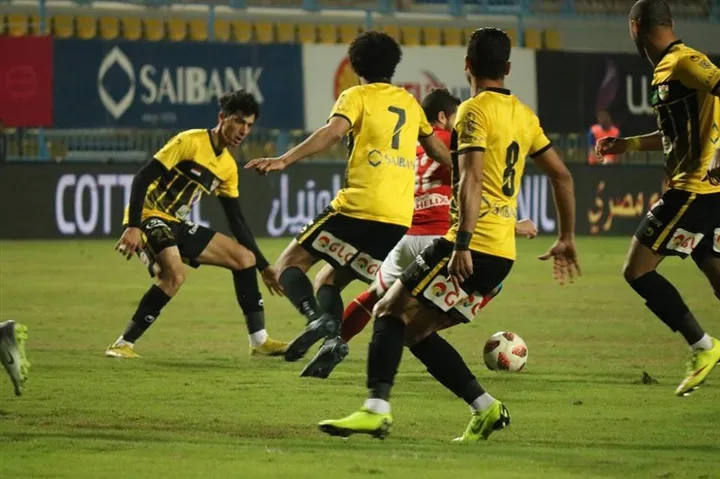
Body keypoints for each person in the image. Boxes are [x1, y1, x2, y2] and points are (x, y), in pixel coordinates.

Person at [317, 27, 579, 442]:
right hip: (502, 255)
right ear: (508, 68)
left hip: (469, 245)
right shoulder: (526, 116)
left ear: (467, 65)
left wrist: (461, 243)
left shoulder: (473, 111)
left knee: (387, 310)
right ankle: (486, 409)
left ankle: (375, 410)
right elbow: (562, 176)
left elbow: (470, 179)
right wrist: (566, 236)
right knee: (415, 331)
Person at [244, 31, 452, 372]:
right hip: (397, 218)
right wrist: (468, 168)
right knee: (329, 280)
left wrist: (283, 159)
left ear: (355, 66)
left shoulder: (355, 96)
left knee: (287, 267)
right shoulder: (409, 103)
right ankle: (333, 341)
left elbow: (332, 133)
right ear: (393, 65)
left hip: (359, 205)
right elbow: (436, 150)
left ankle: (317, 320)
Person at [301, 87, 539, 378]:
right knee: (490, 284)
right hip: (440, 237)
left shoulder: (409, 144)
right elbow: (475, 188)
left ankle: (334, 343)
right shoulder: (456, 142)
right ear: (443, 117)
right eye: (455, 118)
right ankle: (426, 330)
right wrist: (514, 225)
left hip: (404, 236)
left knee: (375, 295)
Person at [596, 0, 720, 397]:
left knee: (637, 270)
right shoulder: (666, 69)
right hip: (704, 193)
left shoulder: (686, 61)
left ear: (635, 27)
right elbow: (673, 134)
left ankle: (703, 347)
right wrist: (627, 145)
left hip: (692, 190)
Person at [105, 90, 287, 359]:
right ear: (222, 117)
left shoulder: (228, 167)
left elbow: (236, 220)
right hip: (149, 215)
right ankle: (122, 344)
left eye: (249, 125)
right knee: (175, 274)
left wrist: (263, 266)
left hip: (177, 224)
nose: (243, 130)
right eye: (238, 121)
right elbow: (142, 178)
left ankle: (259, 341)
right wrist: (133, 226)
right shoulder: (189, 141)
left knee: (244, 258)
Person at [0, 320, 30, 396]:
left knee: (14, 367)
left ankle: (19, 382)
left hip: (7, 331)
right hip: (11, 327)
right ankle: (19, 382)